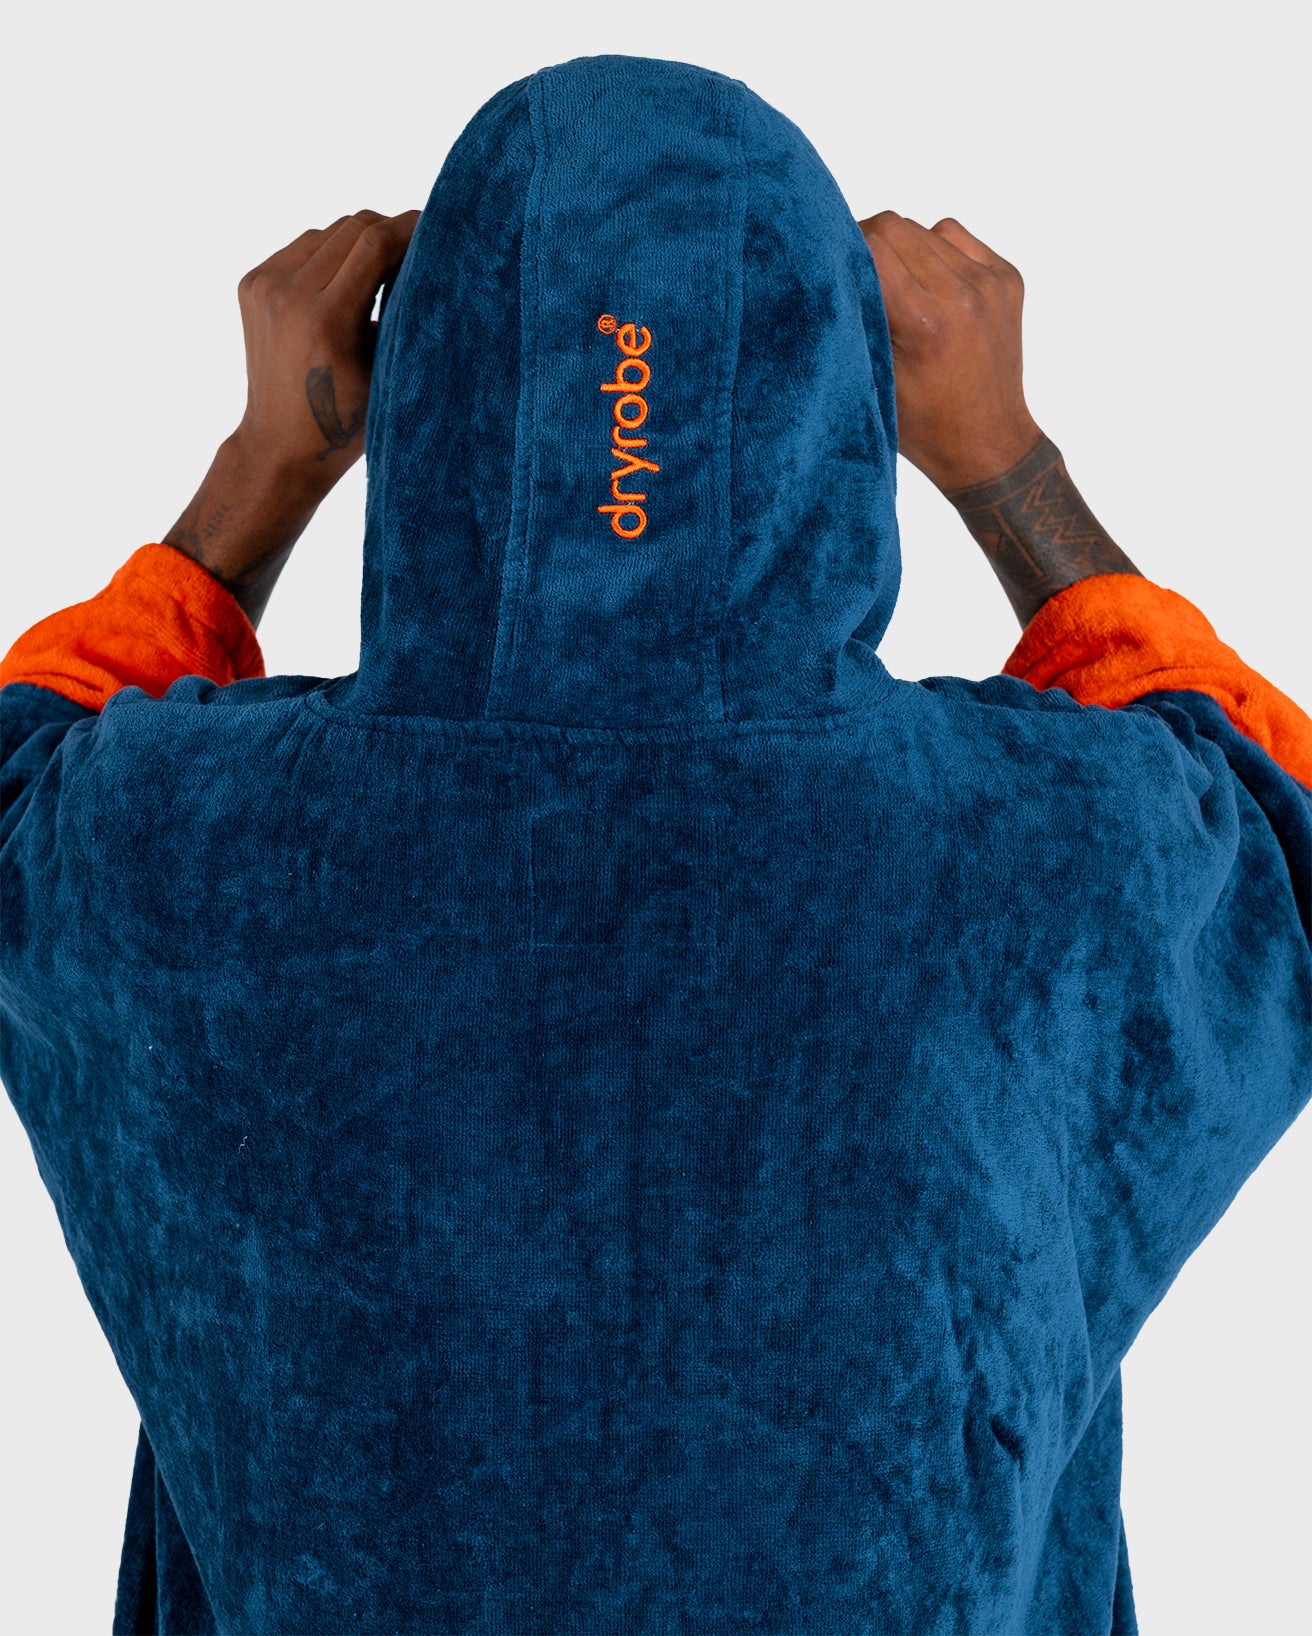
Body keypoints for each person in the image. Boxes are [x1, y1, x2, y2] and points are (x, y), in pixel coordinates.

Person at [1, 52, 1307, 1636]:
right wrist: (1004, 457)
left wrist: (264, 465)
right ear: (837, 389)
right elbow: (1278, 841)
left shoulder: (185, 858)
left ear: (425, 387)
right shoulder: (1044, 861)